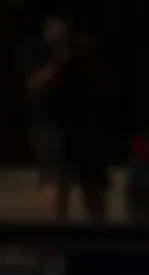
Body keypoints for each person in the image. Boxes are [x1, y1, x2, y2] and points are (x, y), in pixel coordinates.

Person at [26, 15, 116, 224]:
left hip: (86, 126)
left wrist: (82, 58)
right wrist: (59, 61)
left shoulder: (86, 51)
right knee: (56, 186)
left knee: (93, 187)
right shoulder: (37, 51)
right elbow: (35, 86)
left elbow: (105, 86)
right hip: (53, 126)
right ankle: (58, 237)